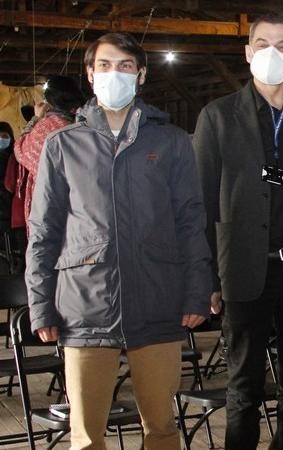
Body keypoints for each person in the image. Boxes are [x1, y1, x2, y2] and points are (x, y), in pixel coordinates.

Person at [25, 32, 212, 450]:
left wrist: (197, 293)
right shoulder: (62, 145)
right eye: (105, 66)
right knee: (87, 434)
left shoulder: (172, 142)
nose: (115, 74)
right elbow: (43, 232)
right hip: (84, 307)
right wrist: (41, 305)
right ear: (90, 75)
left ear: (141, 75)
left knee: (162, 428)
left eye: (126, 66)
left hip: (158, 301)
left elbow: (190, 223)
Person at [193, 12, 283, 450]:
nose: (270, 53)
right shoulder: (217, 116)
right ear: (247, 52)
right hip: (242, 267)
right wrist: (209, 278)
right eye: (261, 44)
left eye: (281, 46)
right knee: (244, 387)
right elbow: (201, 202)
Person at [15, 75, 85, 229]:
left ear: (49, 101)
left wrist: (36, 117)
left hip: (50, 203)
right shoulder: (87, 126)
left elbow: (21, 150)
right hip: (82, 206)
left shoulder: (46, 128)